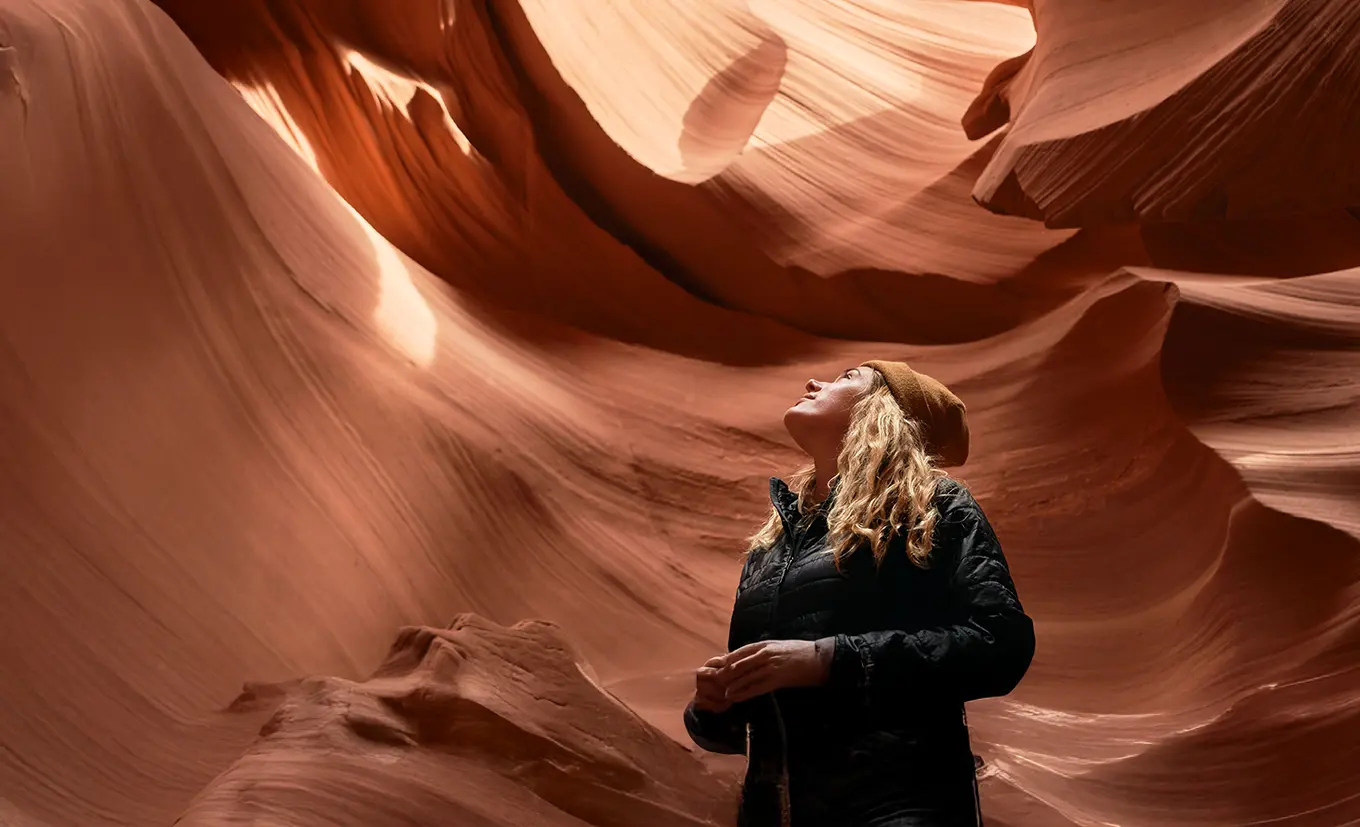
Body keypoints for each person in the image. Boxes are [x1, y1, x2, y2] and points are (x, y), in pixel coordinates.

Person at [683, 360, 1035, 827]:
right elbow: (757, 723)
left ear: (881, 411)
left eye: (847, 378)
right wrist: (716, 707)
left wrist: (830, 660)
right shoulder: (775, 543)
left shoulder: (934, 507)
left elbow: (1000, 643)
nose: (813, 382)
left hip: (894, 807)